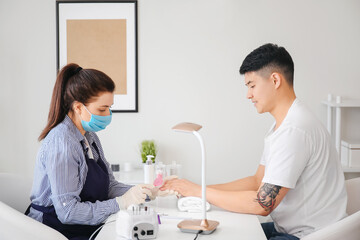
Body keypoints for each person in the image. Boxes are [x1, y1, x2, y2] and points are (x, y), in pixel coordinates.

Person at [161, 43, 348, 239]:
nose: (248, 94)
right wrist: (197, 189)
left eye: (252, 85)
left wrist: (198, 191)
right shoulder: (283, 125)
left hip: (308, 235)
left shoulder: (294, 131)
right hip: (289, 229)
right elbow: (256, 181)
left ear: (275, 80)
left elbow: (262, 204)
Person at [26, 63, 156, 240]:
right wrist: (122, 202)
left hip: (82, 226)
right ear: (78, 107)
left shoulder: (89, 135)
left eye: (109, 108)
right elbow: (68, 211)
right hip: (53, 230)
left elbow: (109, 185)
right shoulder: (62, 143)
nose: (108, 114)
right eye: (102, 109)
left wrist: (140, 190)